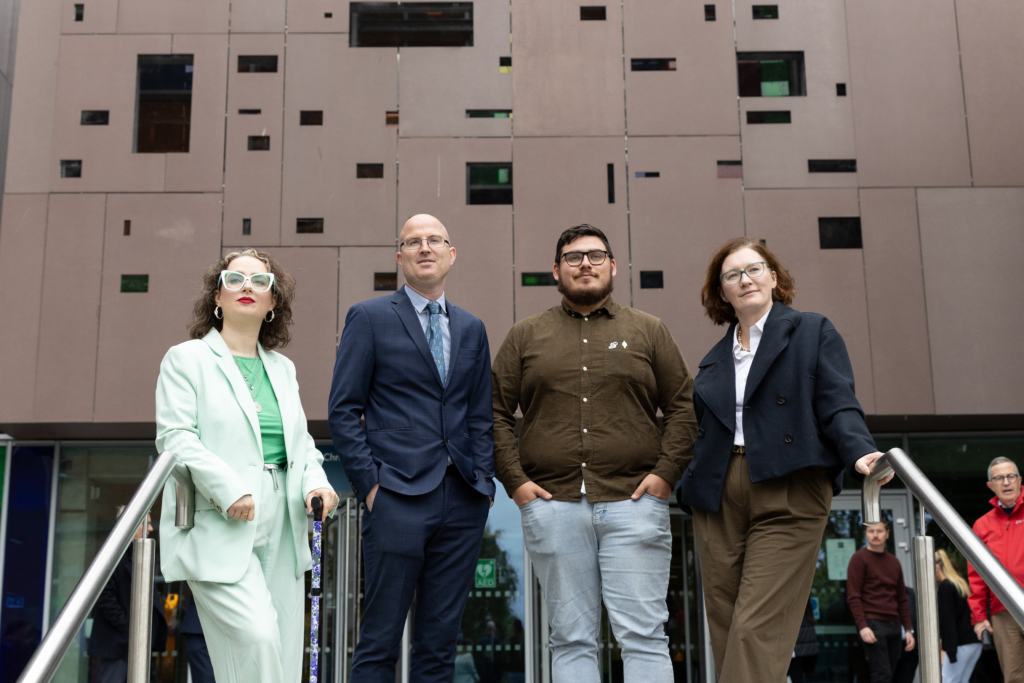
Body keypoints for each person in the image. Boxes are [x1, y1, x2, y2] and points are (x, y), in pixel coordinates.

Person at [678, 237, 890, 683]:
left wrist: (859, 448)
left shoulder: (812, 330)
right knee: (726, 624)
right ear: (722, 293)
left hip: (788, 483)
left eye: (754, 269)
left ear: (774, 278)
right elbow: (698, 431)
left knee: (757, 625)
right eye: (732, 275)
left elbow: (837, 401)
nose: (745, 279)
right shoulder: (714, 361)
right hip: (717, 493)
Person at [492, 224, 696, 681]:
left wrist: (665, 476)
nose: (585, 263)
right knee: (570, 638)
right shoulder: (525, 336)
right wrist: (517, 483)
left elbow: (684, 408)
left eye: (596, 255)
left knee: (643, 636)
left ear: (613, 266)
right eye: (573, 257)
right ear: (556, 271)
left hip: (635, 504)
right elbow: (492, 414)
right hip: (552, 506)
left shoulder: (649, 330)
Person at [156, 248, 338, 683]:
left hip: (286, 520)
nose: (247, 288)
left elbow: (299, 444)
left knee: (285, 654)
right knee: (257, 641)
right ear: (216, 297)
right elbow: (176, 438)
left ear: (274, 303)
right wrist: (228, 487)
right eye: (234, 280)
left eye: (260, 282)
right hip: (222, 518)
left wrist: (317, 483)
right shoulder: (187, 360)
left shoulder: (283, 369)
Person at [329, 214, 494, 681]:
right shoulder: (370, 317)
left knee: (439, 647)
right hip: (396, 496)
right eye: (413, 242)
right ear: (399, 256)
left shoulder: (472, 328)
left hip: (462, 498)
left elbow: (481, 414)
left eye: (435, 240)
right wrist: (371, 488)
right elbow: (344, 409)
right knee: (379, 642)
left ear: (451, 253)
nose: (425, 248)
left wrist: (483, 484)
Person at [88, 512, 168, 683]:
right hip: (119, 645)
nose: (151, 529)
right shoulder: (111, 555)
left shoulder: (138, 556)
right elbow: (105, 596)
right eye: (147, 524)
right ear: (132, 525)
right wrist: (129, 628)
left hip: (136, 645)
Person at [968, 456, 1024, 682]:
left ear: (1020, 480)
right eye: (999, 478)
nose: (1006, 482)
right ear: (991, 486)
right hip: (1004, 611)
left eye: (1011, 476)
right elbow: (977, 576)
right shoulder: (982, 525)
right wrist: (980, 616)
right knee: (1013, 677)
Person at [846, 521, 915, 683]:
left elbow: (902, 598)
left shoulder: (894, 562)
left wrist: (908, 629)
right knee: (881, 675)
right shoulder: (859, 558)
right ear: (866, 534)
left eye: (879, 531)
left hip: (894, 625)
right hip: (873, 624)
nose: (875, 535)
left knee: (889, 673)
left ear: (887, 534)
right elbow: (853, 595)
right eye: (871, 531)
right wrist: (862, 626)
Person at [935, 549, 982, 683]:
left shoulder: (945, 587)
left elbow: (948, 620)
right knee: (961, 680)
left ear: (937, 567)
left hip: (960, 644)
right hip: (973, 642)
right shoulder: (960, 584)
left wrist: (949, 649)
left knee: (948, 679)